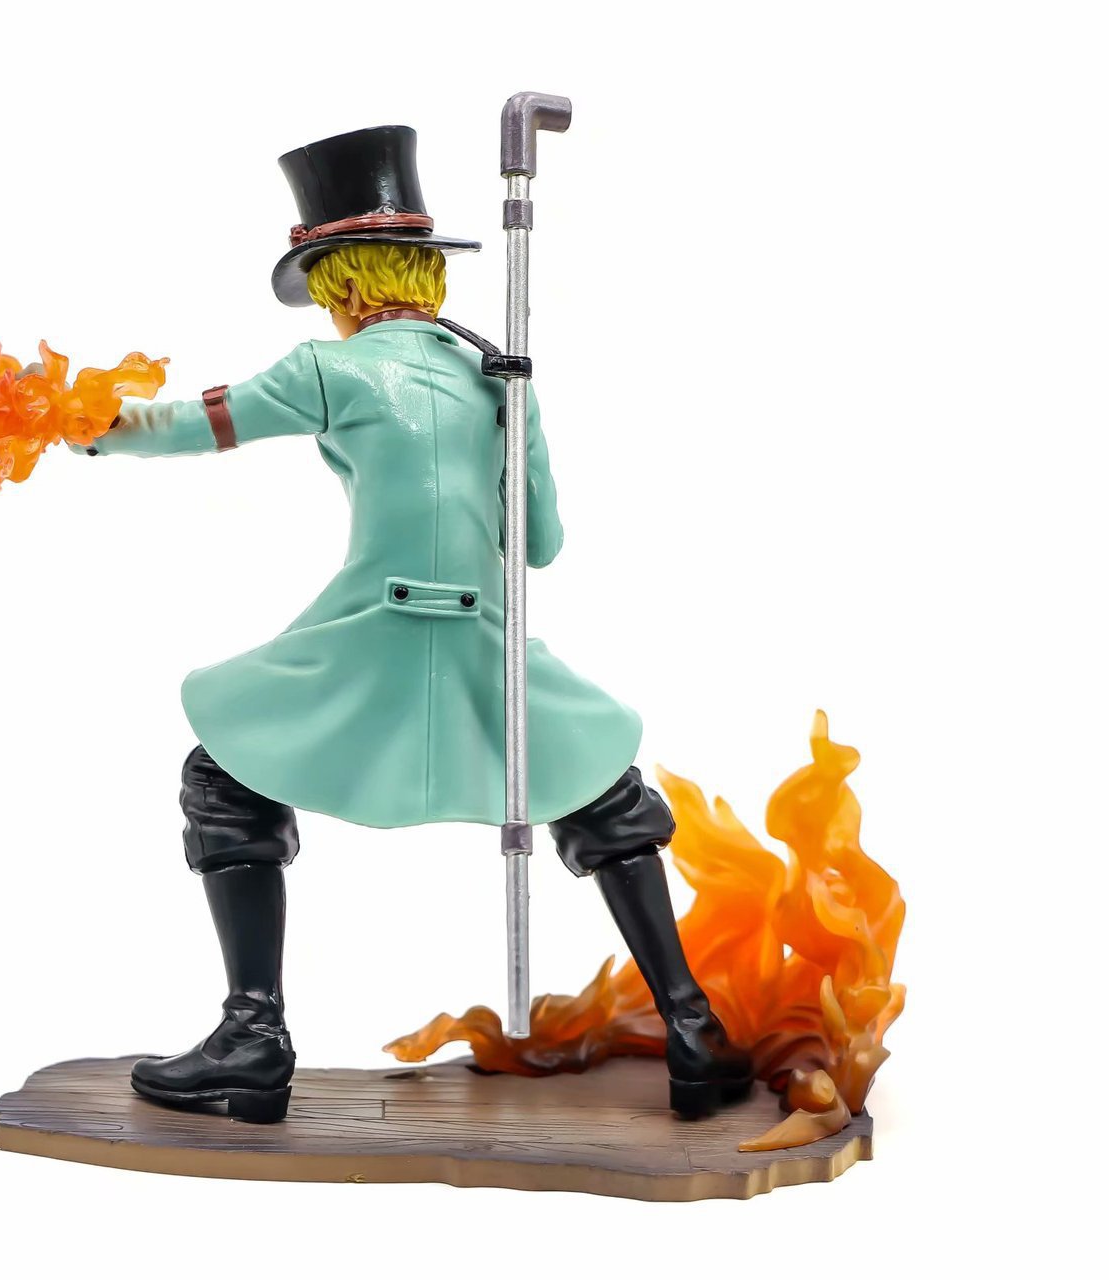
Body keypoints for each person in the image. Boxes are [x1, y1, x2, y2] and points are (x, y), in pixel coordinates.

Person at [73, 125, 751, 1123]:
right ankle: (695, 1030)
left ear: (339, 280)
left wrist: (79, 422)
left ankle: (253, 1036)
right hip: (481, 642)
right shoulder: (500, 378)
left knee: (223, 781)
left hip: (370, 637)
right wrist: (509, 423)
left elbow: (189, 425)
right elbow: (541, 543)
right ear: (422, 270)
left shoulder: (328, 368)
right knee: (604, 796)